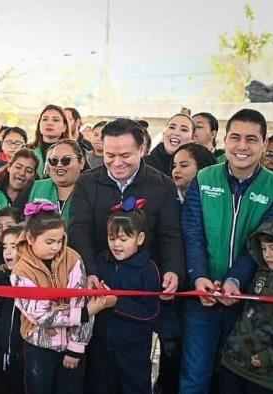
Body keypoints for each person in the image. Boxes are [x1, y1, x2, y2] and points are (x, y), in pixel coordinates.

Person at [67, 118, 185, 393]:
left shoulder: (161, 185)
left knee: (134, 371)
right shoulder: (87, 183)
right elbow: (79, 229)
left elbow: (170, 233)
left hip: (139, 287)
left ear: (142, 149)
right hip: (99, 282)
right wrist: (90, 272)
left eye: (125, 155)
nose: (117, 162)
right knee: (99, 370)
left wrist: (173, 270)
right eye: (109, 155)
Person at [181, 109, 273, 393]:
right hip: (202, 297)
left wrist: (235, 280)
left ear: (264, 142)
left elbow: (261, 243)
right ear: (225, 139)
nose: (242, 146)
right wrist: (199, 277)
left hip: (250, 302)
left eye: (251, 139)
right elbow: (192, 232)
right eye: (235, 137)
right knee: (195, 377)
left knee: (235, 381)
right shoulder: (203, 179)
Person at [10, 203, 102, 393]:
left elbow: (82, 300)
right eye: (49, 242)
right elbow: (40, 315)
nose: (56, 247)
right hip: (38, 346)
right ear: (30, 238)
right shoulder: (21, 271)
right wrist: (83, 314)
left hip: (72, 346)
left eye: (60, 241)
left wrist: (76, 347)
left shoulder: (74, 259)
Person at [85, 197, 161, 393]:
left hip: (133, 351)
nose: (116, 244)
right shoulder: (101, 262)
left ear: (140, 239)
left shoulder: (149, 269)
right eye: (112, 238)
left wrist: (116, 302)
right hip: (101, 347)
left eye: (124, 239)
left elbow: (150, 313)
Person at [220, 219, 273, 393]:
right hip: (233, 362)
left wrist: (269, 357)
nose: (268, 255)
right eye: (264, 248)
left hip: (264, 376)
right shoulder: (260, 271)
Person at [0, 149, 39, 257]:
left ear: (34, 176)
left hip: (18, 262)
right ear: (9, 167)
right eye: (18, 167)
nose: (22, 173)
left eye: (29, 171)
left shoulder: (35, 200)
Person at [0, 225, 25, 394]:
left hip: (25, 354)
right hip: (3, 349)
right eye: (5, 247)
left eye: (14, 246)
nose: (8, 252)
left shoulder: (32, 280)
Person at [31, 104, 70, 177]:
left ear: (64, 127)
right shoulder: (27, 150)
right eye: (45, 119)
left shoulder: (74, 152)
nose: (49, 123)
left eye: (55, 120)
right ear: (39, 125)